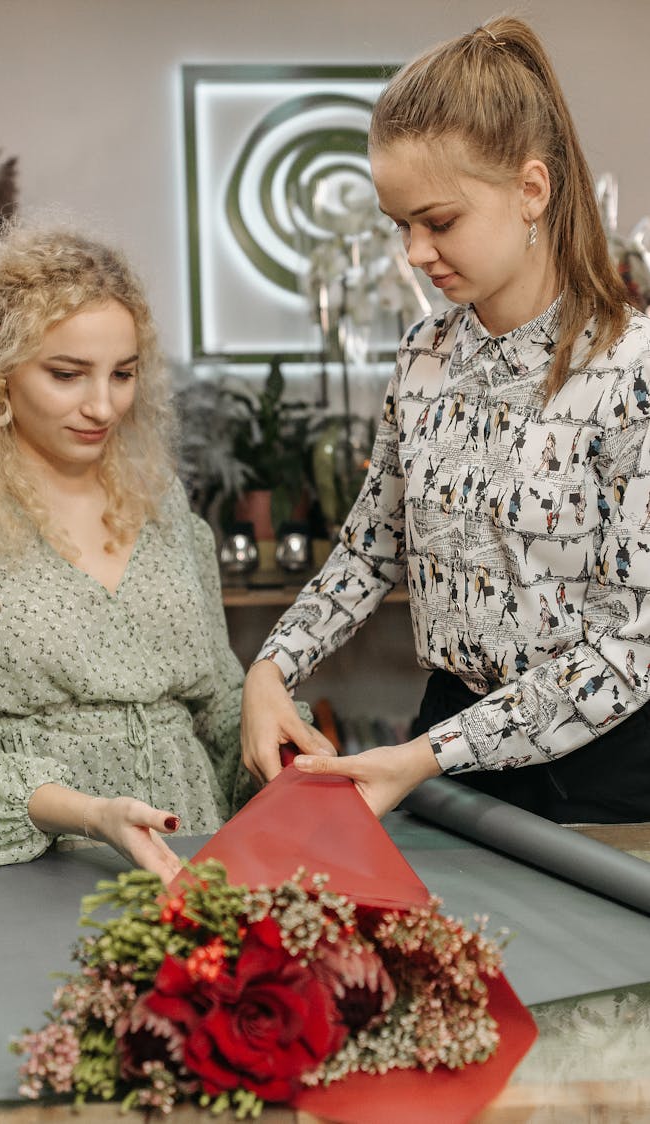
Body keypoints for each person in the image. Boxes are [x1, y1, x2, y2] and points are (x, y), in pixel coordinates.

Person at [241, 16, 650, 824]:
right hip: (440, 754)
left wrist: (429, 754)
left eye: (439, 221)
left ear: (531, 190)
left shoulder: (632, 372)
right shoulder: (422, 356)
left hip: (600, 779)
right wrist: (269, 669)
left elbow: (630, 646)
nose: (416, 253)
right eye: (401, 226)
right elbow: (369, 549)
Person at [0, 221, 250, 880]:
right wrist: (92, 815)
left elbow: (220, 704)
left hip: (193, 852)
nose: (102, 406)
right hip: (35, 869)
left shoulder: (166, 506)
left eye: (123, 374)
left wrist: (279, 743)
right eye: (67, 374)